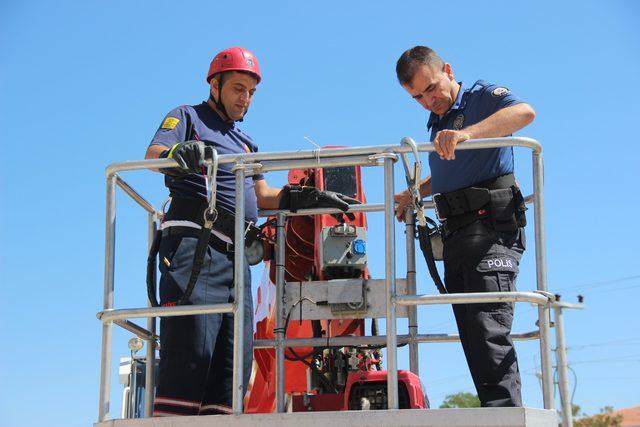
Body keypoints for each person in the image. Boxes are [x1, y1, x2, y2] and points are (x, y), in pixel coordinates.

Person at [145, 46, 357, 416]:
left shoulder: (247, 144)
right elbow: (153, 156)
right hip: (194, 244)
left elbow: (263, 196)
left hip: (236, 255)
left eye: (251, 92)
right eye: (238, 88)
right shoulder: (187, 116)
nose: (245, 99)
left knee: (233, 359)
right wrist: (182, 153)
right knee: (191, 350)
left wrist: (308, 197)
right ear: (215, 84)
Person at [394, 46, 535, 407]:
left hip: (491, 230)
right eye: (417, 97)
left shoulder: (481, 97)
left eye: (431, 88)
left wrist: (467, 134)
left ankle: (505, 415)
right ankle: (495, 412)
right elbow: (451, 171)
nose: (428, 101)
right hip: (457, 236)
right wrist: (415, 193)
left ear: (448, 70)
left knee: (488, 330)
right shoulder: (438, 122)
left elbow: (524, 112)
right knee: (472, 336)